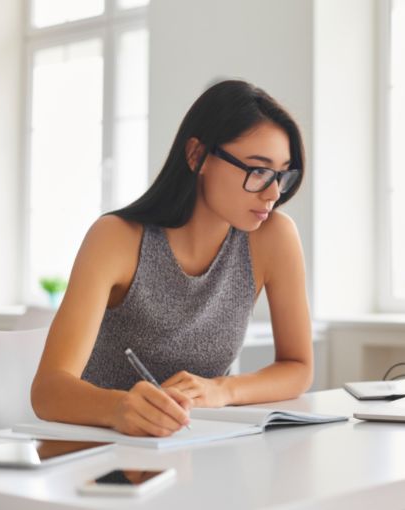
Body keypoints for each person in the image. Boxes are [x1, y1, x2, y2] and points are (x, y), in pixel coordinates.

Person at [31, 80, 313, 437]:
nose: (273, 193)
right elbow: (47, 391)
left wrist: (222, 390)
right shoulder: (116, 238)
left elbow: (298, 367)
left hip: (196, 447)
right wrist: (120, 407)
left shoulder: (273, 237)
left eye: (281, 174)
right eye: (257, 171)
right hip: (99, 449)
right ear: (197, 156)